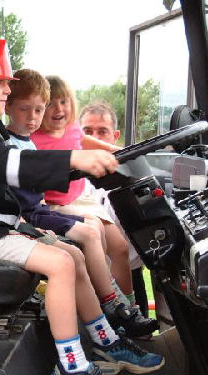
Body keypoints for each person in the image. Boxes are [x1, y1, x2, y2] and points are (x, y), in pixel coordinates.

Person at [0, 40, 164, 375]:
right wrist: (73, 158)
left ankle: (105, 341)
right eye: (0, 81)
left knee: (73, 256)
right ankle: (73, 365)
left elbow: (8, 169)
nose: (7, 88)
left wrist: (72, 169)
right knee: (60, 264)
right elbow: (8, 164)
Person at [5, 69, 158, 337]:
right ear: (7, 106)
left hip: (48, 206)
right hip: (36, 213)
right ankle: (112, 305)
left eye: (38, 109)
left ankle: (120, 306)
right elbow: (25, 192)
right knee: (87, 237)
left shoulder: (28, 141)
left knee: (101, 235)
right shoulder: (12, 146)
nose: (33, 116)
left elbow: (88, 144)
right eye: (26, 109)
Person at [30, 76, 135, 306]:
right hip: (55, 202)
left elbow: (87, 142)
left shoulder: (72, 130)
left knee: (120, 247)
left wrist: (123, 152)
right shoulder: (34, 140)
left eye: (64, 102)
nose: (58, 109)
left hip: (81, 197)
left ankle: (129, 302)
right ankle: (109, 301)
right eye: (50, 104)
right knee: (96, 238)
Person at [79, 101, 149, 319]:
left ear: (115, 136)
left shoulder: (130, 175)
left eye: (102, 132)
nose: (95, 139)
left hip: (129, 273)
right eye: (88, 132)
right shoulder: (71, 180)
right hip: (88, 278)